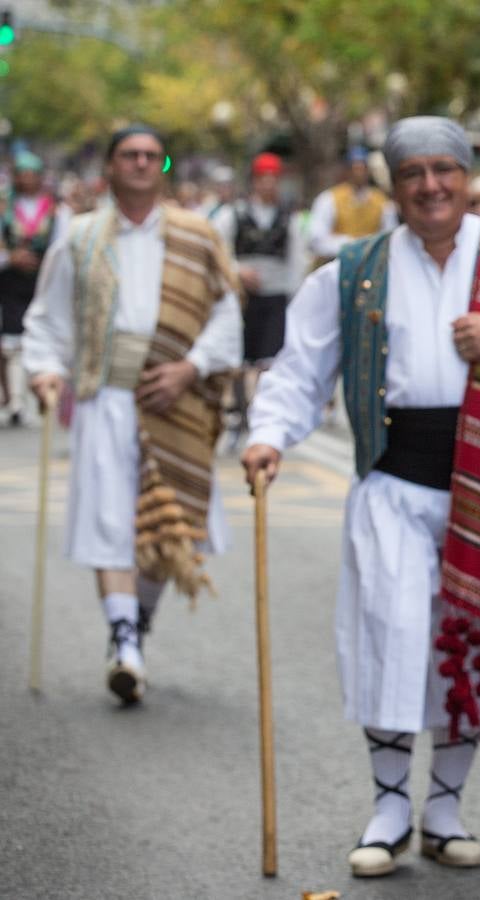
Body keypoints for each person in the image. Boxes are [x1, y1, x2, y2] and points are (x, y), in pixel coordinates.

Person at [240, 116, 480, 878]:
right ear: (393, 184)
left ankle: (443, 807)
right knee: (391, 640)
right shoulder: (352, 269)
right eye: (414, 174)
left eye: (445, 170)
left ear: (467, 175)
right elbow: (302, 370)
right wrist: (269, 434)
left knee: (469, 642)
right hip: (392, 487)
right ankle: (389, 806)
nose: (431, 186)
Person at [22, 125, 242, 703]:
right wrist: (45, 368)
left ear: (163, 166)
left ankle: (134, 626)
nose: (142, 162)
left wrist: (191, 368)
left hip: (177, 398)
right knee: (109, 520)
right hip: (105, 397)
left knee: (167, 525)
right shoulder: (81, 236)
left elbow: (227, 316)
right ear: (111, 168)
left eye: (151, 155)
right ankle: (123, 639)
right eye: (129, 155)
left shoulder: (200, 234)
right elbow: (48, 317)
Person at [211, 152, 304, 440]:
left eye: (273, 180)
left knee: (269, 362)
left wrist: (294, 298)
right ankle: (239, 414)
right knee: (239, 360)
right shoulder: (233, 215)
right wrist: (238, 272)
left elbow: (297, 260)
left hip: (275, 297)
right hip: (242, 298)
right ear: (254, 182)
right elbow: (217, 252)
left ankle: (262, 415)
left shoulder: (289, 219)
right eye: (263, 179)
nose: (268, 185)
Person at [2, 151, 70, 425]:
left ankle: (46, 392)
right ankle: (16, 401)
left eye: (32, 175)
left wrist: (44, 263)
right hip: (9, 281)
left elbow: (62, 245)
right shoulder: (3, 207)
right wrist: (10, 257)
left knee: (44, 334)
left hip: (43, 280)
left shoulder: (56, 210)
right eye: (22, 175)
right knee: (10, 342)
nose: (27, 180)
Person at [307, 146, 397, 268]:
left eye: (362, 168)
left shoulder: (382, 202)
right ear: (346, 171)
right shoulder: (329, 199)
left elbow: (389, 238)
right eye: (354, 168)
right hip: (335, 264)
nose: (358, 173)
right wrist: (351, 245)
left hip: (369, 267)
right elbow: (316, 240)